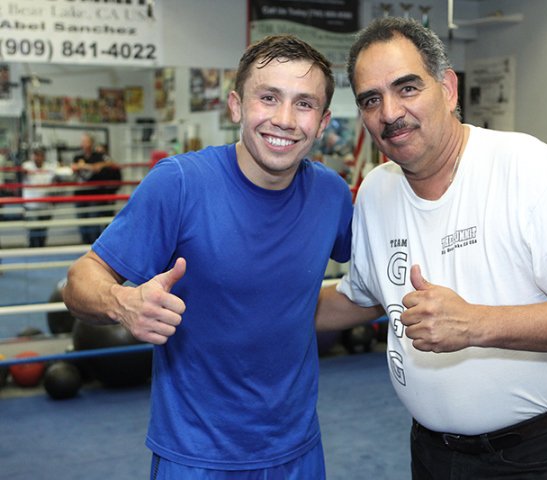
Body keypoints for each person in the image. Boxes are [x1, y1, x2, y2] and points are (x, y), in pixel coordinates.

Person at [315, 17, 547, 480]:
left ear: (447, 88)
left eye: (407, 88)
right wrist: (240, 304)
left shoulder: (529, 169)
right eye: (371, 99)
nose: (389, 112)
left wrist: (475, 324)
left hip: (531, 456)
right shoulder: (377, 191)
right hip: (430, 450)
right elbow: (360, 296)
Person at [62, 35, 352, 479]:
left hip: (298, 451)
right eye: (268, 98)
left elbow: (369, 278)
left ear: (324, 120)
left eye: (304, 104)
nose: (284, 119)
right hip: (197, 456)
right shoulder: (179, 184)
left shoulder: (331, 194)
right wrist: (122, 303)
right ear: (236, 105)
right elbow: (82, 276)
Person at [72, 133, 120, 244]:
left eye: (86, 142)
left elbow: (110, 163)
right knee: (82, 222)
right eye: (83, 142)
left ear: (91, 143)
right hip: (80, 194)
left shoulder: (98, 156)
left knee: (94, 221)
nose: (84, 144)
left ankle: (94, 248)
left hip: (95, 194)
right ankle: (85, 244)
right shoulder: (78, 156)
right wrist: (91, 167)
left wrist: (88, 166)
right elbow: (74, 167)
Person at [22, 146, 57, 247]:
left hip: (45, 206)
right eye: (36, 155)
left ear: (43, 156)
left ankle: (42, 252)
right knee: (33, 232)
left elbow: (59, 174)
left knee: (43, 231)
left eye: (40, 155)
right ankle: (33, 252)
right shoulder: (26, 166)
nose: (38, 157)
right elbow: (20, 174)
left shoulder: (49, 167)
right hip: (31, 206)